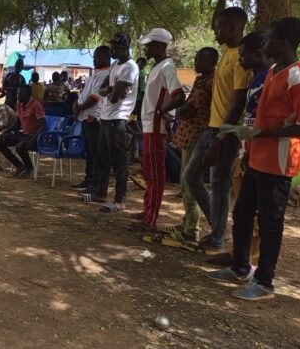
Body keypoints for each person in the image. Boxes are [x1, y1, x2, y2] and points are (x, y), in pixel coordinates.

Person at [207, 17, 300, 300]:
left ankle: (265, 281)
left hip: (279, 163)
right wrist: (249, 142)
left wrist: (263, 132)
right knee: (242, 214)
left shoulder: (299, 79)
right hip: (258, 158)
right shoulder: (272, 73)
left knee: (270, 222)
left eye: (269, 39)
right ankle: (240, 267)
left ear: (285, 42)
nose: (265, 43)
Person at [183, 7, 253, 253]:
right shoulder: (226, 51)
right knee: (191, 176)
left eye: (219, 27)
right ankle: (217, 228)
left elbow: (238, 101)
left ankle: (218, 236)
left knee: (219, 184)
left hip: (225, 131)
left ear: (234, 27)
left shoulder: (240, 57)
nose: (215, 30)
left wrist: (222, 136)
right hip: (211, 127)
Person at [207, 31, 271, 266]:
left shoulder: (270, 80)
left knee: (256, 212)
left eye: (244, 57)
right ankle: (239, 256)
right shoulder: (255, 79)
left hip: (263, 154)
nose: (240, 60)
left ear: (258, 53)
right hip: (246, 151)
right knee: (242, 208)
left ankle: (251, 262)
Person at [132, 29, 186, 230]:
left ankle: (151, 218)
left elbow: (178, 95)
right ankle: (148, 210)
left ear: (159, 46)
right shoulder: (158, 67)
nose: (146, 48)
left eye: (149, 44)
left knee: (155, 173)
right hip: (149, 125)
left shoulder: (167, 68)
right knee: (149, 171)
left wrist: (161, 111)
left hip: (156, 127)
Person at [81, 32, 140, 213]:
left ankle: (120, 199)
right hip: (105, 117)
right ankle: (101, 192)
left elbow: (114, 98)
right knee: (102, 158)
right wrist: (113, 89)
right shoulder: (115, 65)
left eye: (115, 47)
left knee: (119, 161)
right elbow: (103, 89)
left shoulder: (130, 68)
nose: (112, 50)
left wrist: (111, 90)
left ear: (124, 48)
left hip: (118, 119)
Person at [169, 47, 219, 243]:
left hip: (198, 136)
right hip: (188, 135)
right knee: (184, 181)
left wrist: (182, 110)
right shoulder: (200, 80)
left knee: (190, 182)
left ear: (210, 62)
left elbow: (191, 109)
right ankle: (187, 222)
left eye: (199, 59)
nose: (196, 63)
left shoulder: (212, 82)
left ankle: (192, 229)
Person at [71, 46, 112, 191]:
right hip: (84, 117)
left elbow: (95, 97)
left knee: (96, 153)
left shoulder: (106, 74)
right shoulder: (95, 74)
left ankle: (95, 182)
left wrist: (80, 107)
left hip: (94, 117)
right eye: (94, 57)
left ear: (107, 56)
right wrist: (76, 104)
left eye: (97, 57)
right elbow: (84, 94)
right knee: (89, 152)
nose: (95, 60)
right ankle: (88, 179)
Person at [0, 85, 47, 178]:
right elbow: (18, 124)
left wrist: (33, 139)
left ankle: (29, 168)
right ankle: (20, 166)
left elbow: (44, 126)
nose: (18, 96)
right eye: (17, 93)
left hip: (35, 136)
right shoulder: (19, 104)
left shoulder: (36, 105)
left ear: (28, 95)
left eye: (21, 94)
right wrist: (7, 131)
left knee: (20, 146)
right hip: (23, 134)